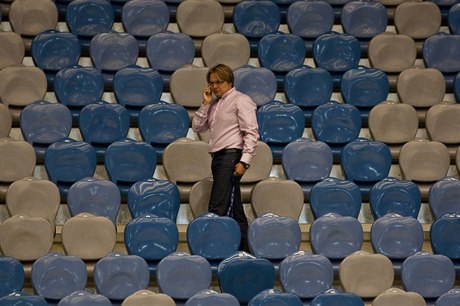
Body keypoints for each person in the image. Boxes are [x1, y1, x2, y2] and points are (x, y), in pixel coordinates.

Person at [192, 64, 259, 252]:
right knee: (236, 211)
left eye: (219, 82)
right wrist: (205, 103)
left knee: (217, 207)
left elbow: (251, 133)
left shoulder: (241, 100)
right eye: (211, 83)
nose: (214, 87)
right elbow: (198, 127)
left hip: (231, 157)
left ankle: (213, 250)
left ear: (229, 81)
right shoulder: (213, 104)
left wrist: (244, 161)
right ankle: (245, 252)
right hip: (218, 159)